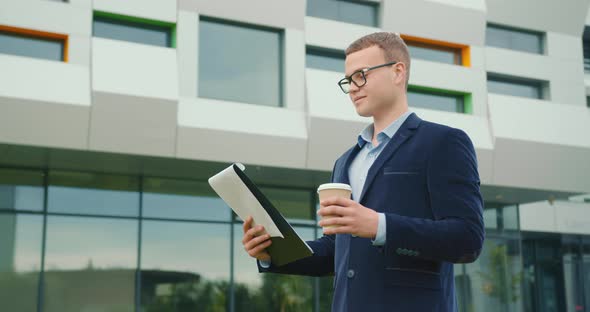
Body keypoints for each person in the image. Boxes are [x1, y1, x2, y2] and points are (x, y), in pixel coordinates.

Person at [241, 32, 484, 312]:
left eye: (361, 75)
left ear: (397, 72)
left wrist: (379, 226)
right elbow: (336, 251)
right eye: (348, 80)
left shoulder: (443, 143)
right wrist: (273, 252)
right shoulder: (345, 161)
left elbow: (467, 238)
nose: (353, 87)